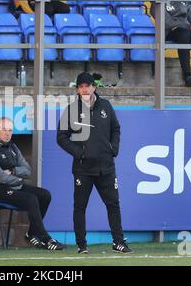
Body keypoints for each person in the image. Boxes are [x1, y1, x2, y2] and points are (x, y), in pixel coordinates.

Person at [57, 72, 132, 254]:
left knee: (113, 204)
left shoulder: (105, 105)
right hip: (83, 169)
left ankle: (118, 242)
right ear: (77, 89)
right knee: (80, 207)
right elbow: (61, 137)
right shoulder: (72, 109)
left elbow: (116, 129)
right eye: (80, 86)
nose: (84, 89)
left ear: (94, 87)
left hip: (106, 167)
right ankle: (82, 245)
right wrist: (80, 153)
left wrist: (114, 148)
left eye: (87, 85)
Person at [0, 117, 65, 250]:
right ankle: (45, 238)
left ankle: (32, 233)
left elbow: (27, 170)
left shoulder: (12, 147)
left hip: (13, 187)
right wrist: (18, 179)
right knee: (30, 199)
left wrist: (12, 171)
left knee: (44, 195)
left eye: (10, 130)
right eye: (4, 130)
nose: (7, 133)